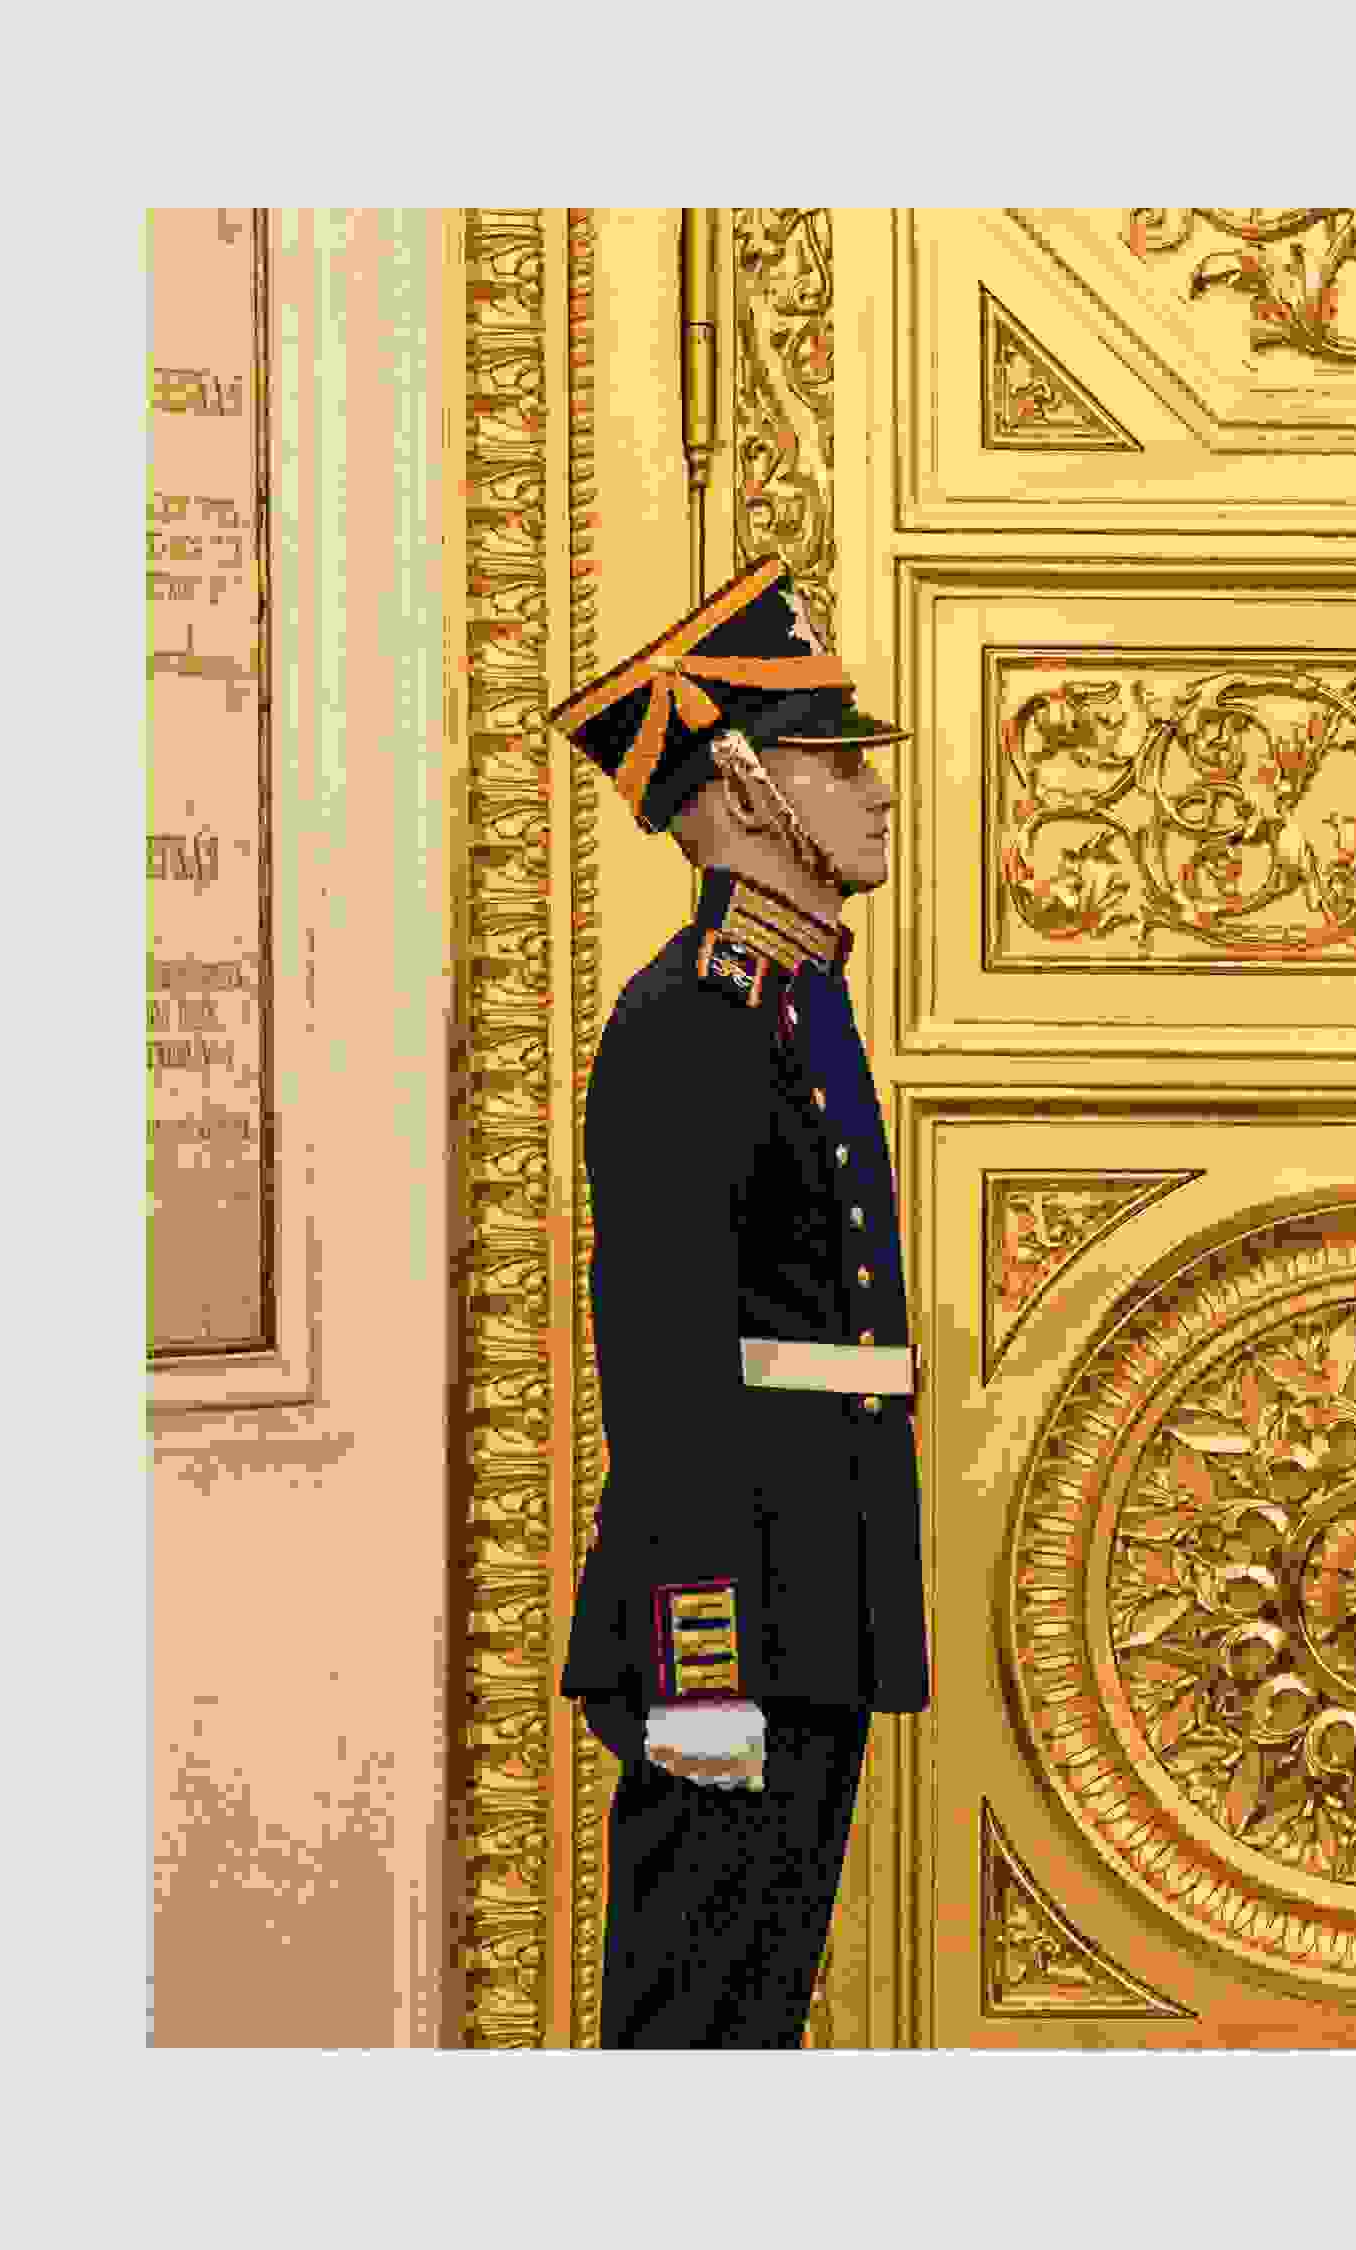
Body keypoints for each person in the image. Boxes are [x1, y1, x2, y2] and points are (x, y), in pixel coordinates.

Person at [546, 556, 929, 2048]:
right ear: (744, 785)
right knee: (689, 2033)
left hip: (814, 1598)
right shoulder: (692, 1022)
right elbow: (667, 1382)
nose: (874, 792)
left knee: (751, 2025)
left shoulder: (796, 999)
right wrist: (699, 1673)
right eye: (837, 762)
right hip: (732, 1626)